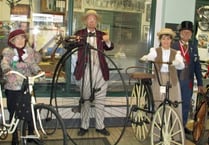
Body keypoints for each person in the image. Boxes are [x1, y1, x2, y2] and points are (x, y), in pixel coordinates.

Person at [73, 9, 114, 136]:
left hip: (100, 70)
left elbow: (110, 47)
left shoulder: (102, 34)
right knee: (85, 100)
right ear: (86, 21)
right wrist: (75, 40)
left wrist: (107, 40)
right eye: (89, 19)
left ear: (96, 21)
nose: (92, 21)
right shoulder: (79, 33)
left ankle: (100, 126)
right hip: (85, 70)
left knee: (100, 100)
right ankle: (84, 126)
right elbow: (71, 46)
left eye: (94, 19)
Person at [1, 29, 42, 145]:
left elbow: (33, 64)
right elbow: (4, 62)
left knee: (30, 109)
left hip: (27, 84)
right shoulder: (8, 51)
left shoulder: (28, 51)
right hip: (13, 85)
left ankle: (31, 133)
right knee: (13, 111)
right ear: (12, 41)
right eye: (17, 38)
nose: (20, 40)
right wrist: (7, 69)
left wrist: (38, 71)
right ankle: (14, 136)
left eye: (23, 38)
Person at [141, 28, 185, 119]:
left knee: (173, 101)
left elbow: (182, 65)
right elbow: (150, 57)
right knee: (159, 101)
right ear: (160, 40)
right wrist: (146, 57)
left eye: (168, 39)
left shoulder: (175, 53)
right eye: (163, 38)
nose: (166, 41)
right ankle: (157, 127)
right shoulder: (155, 51)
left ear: (171, 40)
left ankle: (173, 126)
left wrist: (178, 62)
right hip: (159, 79)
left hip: (172, 80)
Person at [172, 21, 204, 133]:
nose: (186, 34)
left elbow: (197, 66)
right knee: (174, 103)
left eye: (188, 32)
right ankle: (172, 126)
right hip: (175, 81)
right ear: (180, 33)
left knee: (185, 104)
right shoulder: (173, 45)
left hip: (188, 82)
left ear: (191, 35)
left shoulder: (193, 47)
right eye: (184, 32)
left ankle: (182, 126)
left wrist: (200, 83)